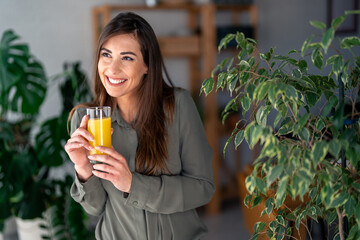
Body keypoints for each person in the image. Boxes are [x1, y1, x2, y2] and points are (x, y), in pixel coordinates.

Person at [64, 12, 215, 240]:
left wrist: (133, 184)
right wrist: (83, 168)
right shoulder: (86, 120)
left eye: (127, 58)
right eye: (106, 55)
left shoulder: (178, 106)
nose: (112, 69)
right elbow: (95, 208)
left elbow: (203, 187)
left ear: (147, 65)